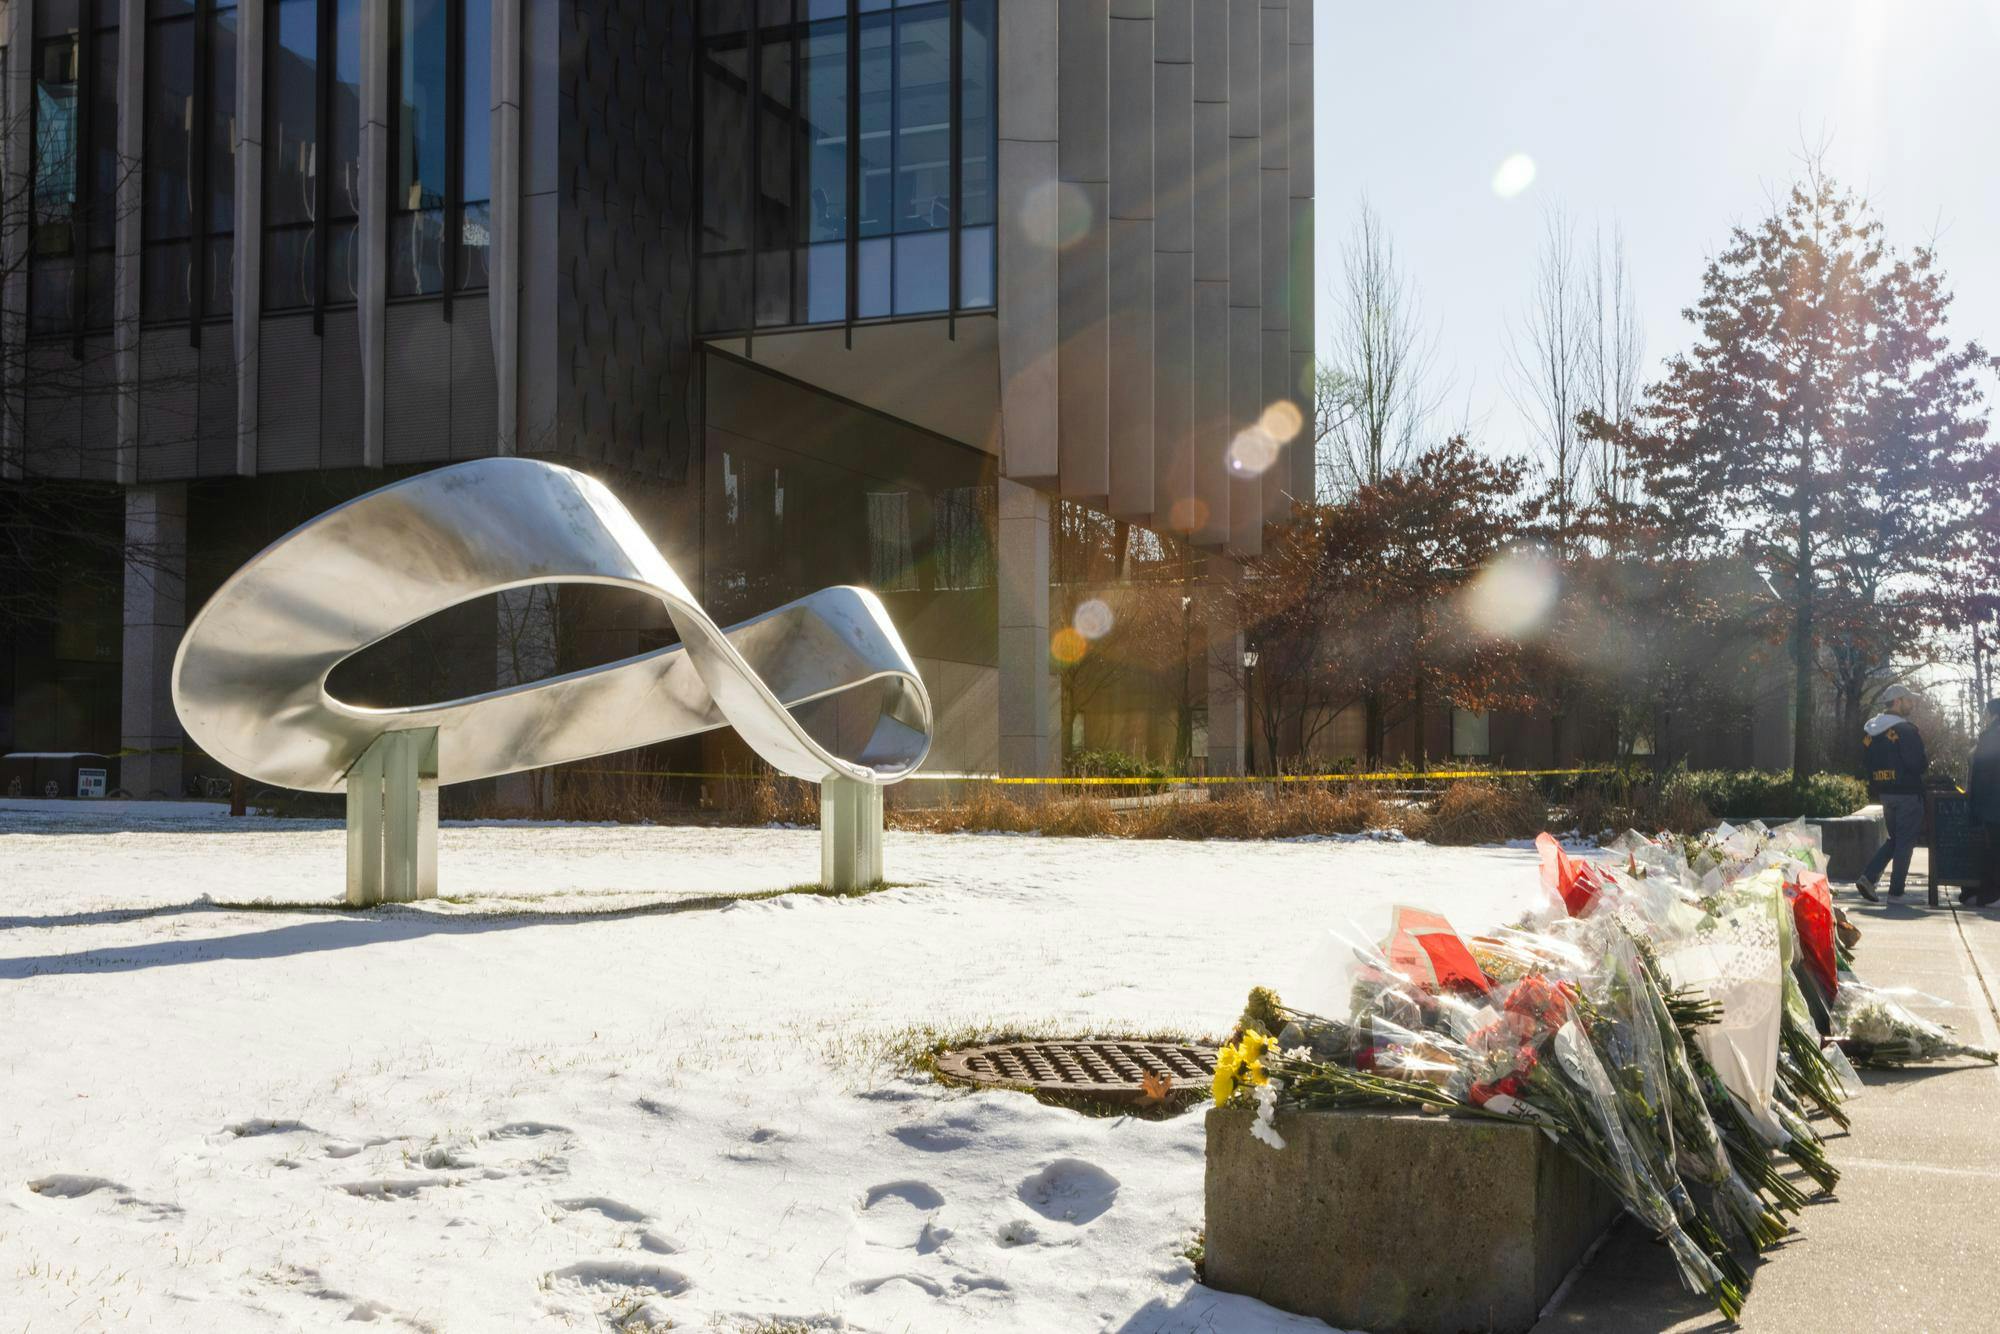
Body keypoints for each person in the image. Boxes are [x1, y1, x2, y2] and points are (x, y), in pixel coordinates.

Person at [1856, 684, 1928, 903]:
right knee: (1905, 841)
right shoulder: (1906, 730)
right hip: (1907, 793)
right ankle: (1896, 892)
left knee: (1896, 839)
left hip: (1885, 793)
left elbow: (1865, 762)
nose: (1911, 703)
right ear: (1897, 701)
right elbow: (1918, 764)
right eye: (1908, 699)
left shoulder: (1870, 731)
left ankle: (1868, 878)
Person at [1965, 698, 2000, 907]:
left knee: (1992, 849)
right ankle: (1992, 894)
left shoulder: (1987, 737)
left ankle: (1989, 893)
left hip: (1991, 805)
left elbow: (1978, 775)